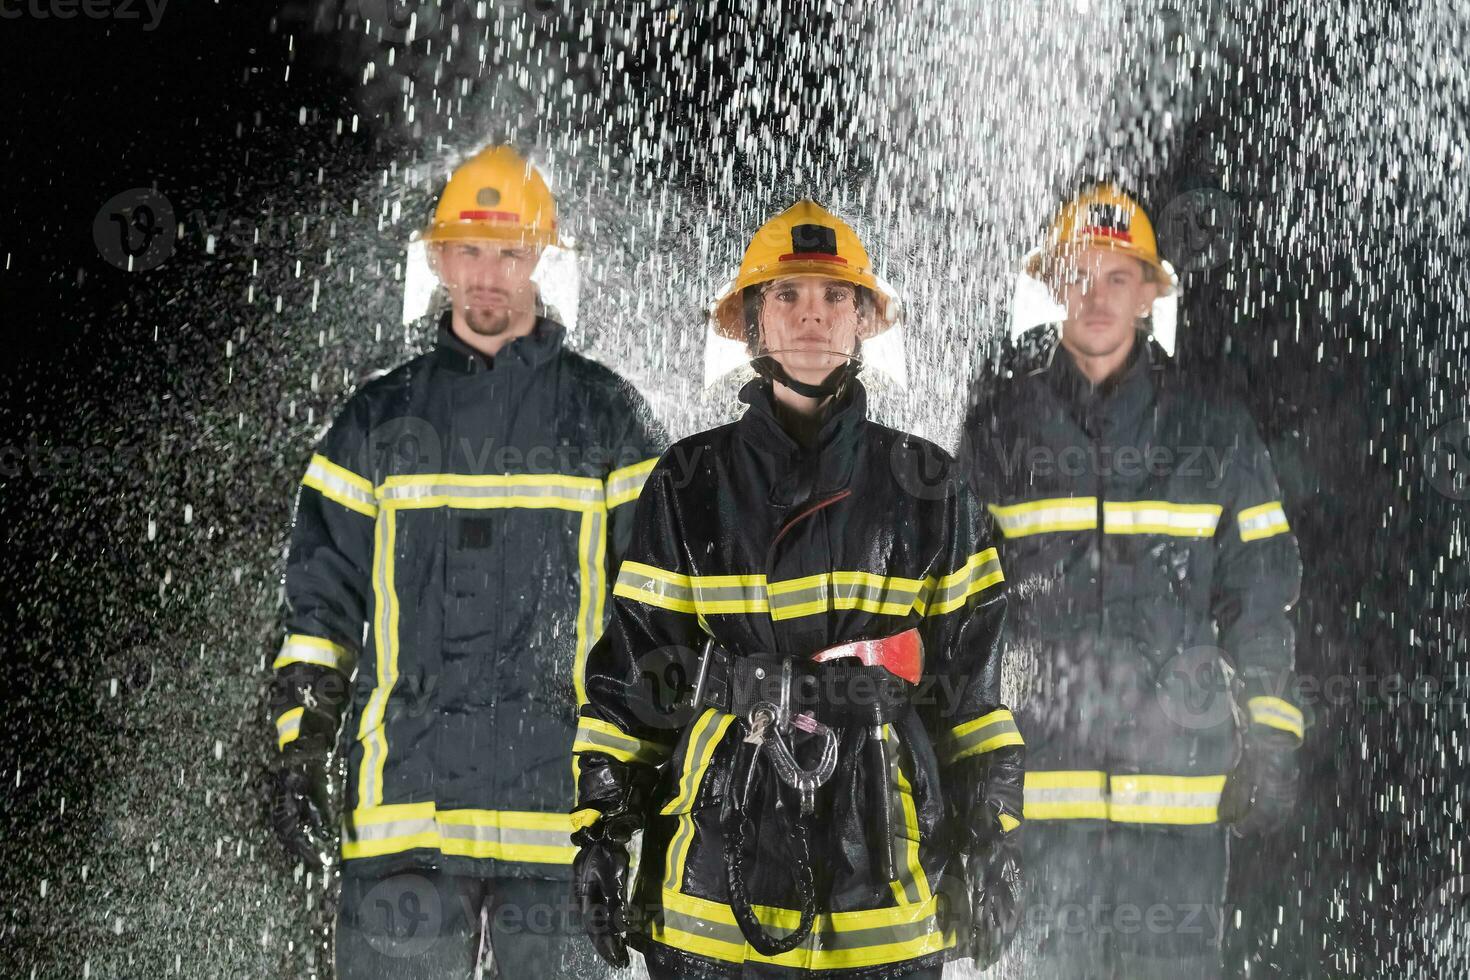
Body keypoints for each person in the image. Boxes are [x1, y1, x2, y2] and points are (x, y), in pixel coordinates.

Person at [569, 200, 1024, 978]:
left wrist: (991, 837)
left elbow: (970, 694)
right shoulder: (688, 481)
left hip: (883, 868)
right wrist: (604, 832)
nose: (811, 317)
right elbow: (638, 674)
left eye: (834, 297)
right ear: (753, 323)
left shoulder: (931, 487)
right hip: (718, 872)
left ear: (862, 323)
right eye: (786, 296)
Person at [266, 143, 667, 979]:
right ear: (439, 257)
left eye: (511, 252)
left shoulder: (608, 419)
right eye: (471, 250)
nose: (489, 273)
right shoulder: (374, 423)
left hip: (564, 821)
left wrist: (648, 784)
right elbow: (320, 610)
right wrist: (299, 744)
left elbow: (658, 612)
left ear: (543, 262)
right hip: (406, 812)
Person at [959, 183, 1305, 978]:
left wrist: (1273, 733)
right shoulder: (1000, 431)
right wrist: (963, 779)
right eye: (1079, 273)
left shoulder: (1212, 432)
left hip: (1178, 815)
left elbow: (1260, 599)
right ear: (1051, 286)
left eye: (1119, 276)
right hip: (1039, 815)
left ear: (1152, 293)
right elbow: (962, 616)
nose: (1097, 294)